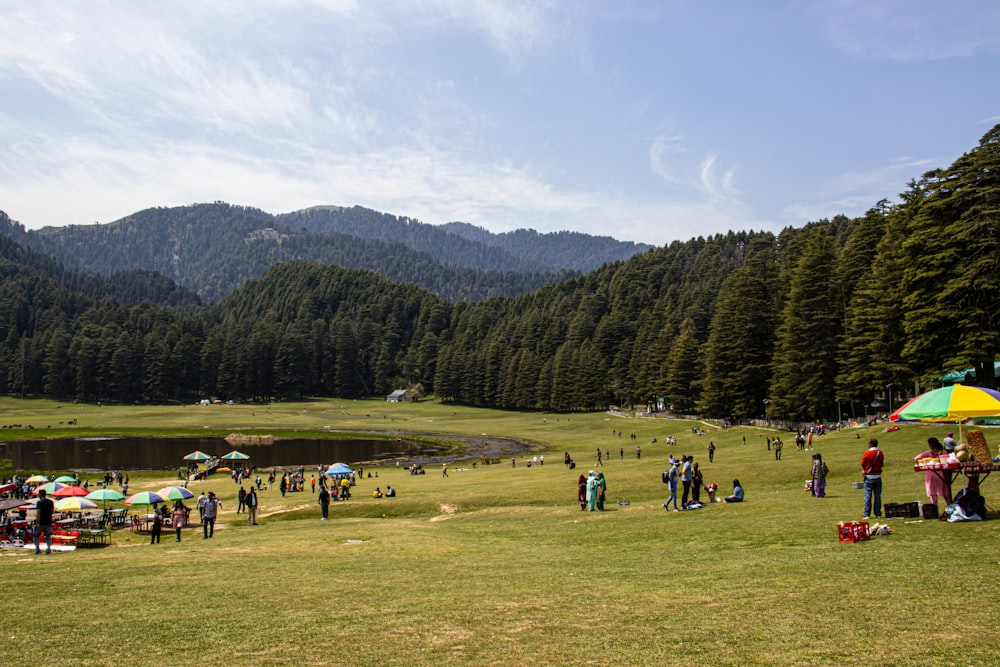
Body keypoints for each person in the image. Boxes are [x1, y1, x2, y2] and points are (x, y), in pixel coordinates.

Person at [916, 437, 951, 507]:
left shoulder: (928, 453)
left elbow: (916, 458)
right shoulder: (942, 452)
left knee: (932, 492)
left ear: (931, 444)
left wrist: (925, 461)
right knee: (945, 491)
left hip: (931, 474)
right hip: (942, 474)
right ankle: (950, 506)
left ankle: (934, 508)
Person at [861, 438, 884, 520]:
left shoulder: (867, 453)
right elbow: (881, 463)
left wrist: (865, 470)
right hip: (877, 476)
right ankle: (878, 513)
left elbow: (862, 463)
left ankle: (866, 514)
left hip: (869, 476)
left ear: (870, 444)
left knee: (868, 495)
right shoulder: (880, 453)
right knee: (877, 496)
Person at [33, 488, 55, 555]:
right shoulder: (51, 502)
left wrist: (37, 522)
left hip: (41, 522)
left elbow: (38, 513)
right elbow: (52, 511)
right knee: (48, 536)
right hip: (48, 521)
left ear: (40, 494)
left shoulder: (39, 503)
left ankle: (37, 550)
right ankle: (48, 550)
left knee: (36, 535)